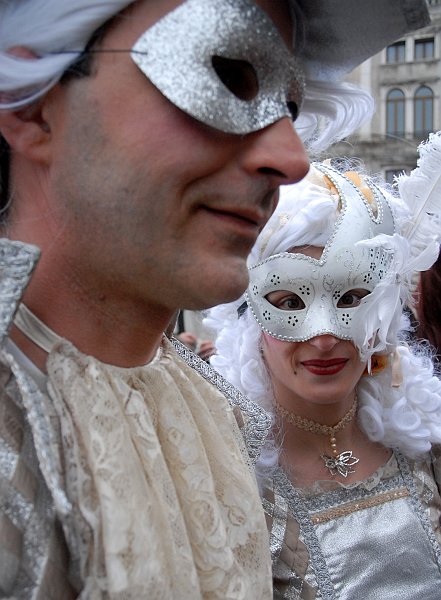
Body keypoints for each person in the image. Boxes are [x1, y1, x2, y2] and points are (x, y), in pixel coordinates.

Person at [0, 0, 431, 597]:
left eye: (290, 107)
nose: (290, 159)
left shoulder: (221, 418)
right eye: (226, 77)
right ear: (31, 105)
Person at [207, 133, 441, 598]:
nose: (325, 334)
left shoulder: (428, 447)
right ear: (249, 316)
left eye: (353, 298)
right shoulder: (221, 473)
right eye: (290, 300)